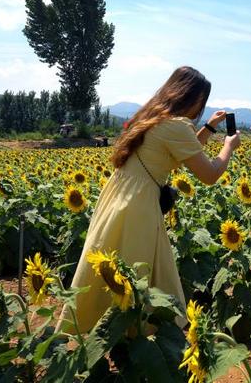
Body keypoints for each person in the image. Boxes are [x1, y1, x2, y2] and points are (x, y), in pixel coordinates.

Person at [62, 66, 240, 332]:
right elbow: (210, 174)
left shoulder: (151, 117)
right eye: (200, 103)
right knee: (137, 271)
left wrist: (209, 128)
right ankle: (136, 334)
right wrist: (228, 147)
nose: (199, 109)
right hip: (139, 204)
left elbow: (181, 150)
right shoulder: (177, 126)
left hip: (120, 194)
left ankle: (87, 327)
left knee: (107, 265)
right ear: (190, 98)